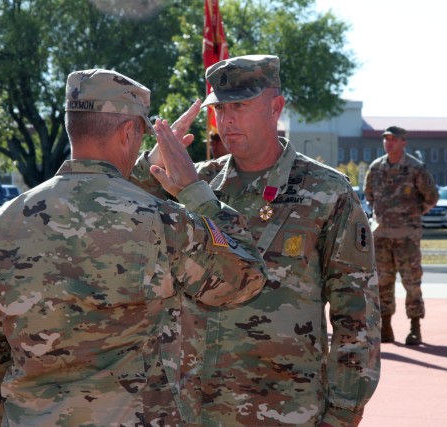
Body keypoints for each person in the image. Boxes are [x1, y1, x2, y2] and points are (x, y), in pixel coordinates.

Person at [0, 68, 268, 426]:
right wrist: (195, 189)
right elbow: (246, 278)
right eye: (140, 134)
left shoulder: (4, 223)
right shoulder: (163, 221)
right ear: (129, 131)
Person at [132, 55, 380, 426]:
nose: (227, 119)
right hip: (195, 408)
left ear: (276, 108)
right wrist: (152, 163)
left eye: (241, 106)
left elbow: (356, 315)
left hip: (285, 409)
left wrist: (343, 412)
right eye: (220, 108)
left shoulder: (327, 192)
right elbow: (116, 208)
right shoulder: (193, 184)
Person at [364, 126, 439, 345]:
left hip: (407, 236)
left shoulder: (415, 168)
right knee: (382, 282)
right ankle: (385, 327)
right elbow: (370, 196)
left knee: (411, 282)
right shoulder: (376, 168)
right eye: (386, 139)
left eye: (393, 139)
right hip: (382, 235)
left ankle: (415, 327)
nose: (389, 143)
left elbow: (431, 196)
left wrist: (414, 214)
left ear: (404, 142)